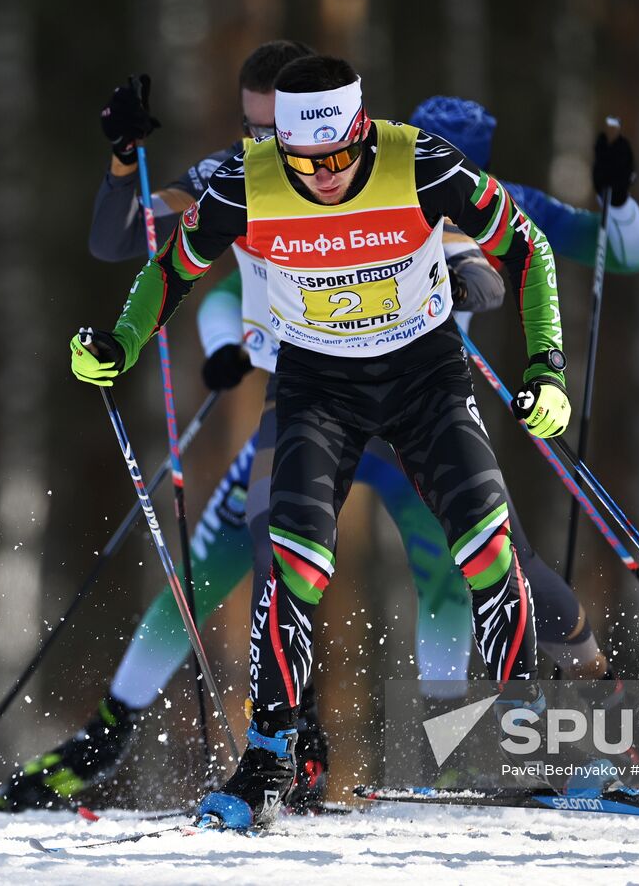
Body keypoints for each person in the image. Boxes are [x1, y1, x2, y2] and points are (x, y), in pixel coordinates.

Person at [70, 54, 572, 830]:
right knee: (295, 557)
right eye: (305, 161)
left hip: (423, 375)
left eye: (340, 155)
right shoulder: (247, 180)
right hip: (318, 383)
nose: (326, 175)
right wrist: (121, 343)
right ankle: (268, 756)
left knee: (485, 546)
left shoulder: (419, 163)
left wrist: (546, 367)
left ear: (362, 131)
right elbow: (171, 268)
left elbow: (526, 248)